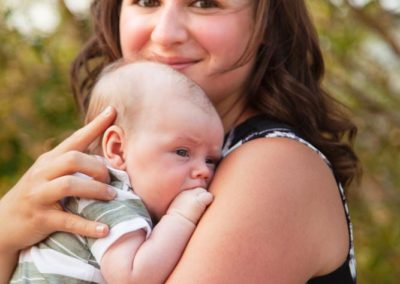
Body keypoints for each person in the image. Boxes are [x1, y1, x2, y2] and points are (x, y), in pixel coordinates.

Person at [0, 0, 361, 283]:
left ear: (267, 24)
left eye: (205, 3)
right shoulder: (122, 171)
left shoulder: (274, 166)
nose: (165, 33)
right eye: (146, 0)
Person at [10, 60, 224, 283]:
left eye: (211, 160)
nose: (203, 171)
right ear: (118, 150)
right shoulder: (107, 195)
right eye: (182, 151)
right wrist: (180, 217)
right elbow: (132, 278)